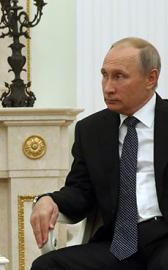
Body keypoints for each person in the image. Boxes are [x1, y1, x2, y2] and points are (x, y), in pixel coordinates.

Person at [30, 37, 168, 270]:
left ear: (150, 78)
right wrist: (47, 200)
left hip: (164, 236)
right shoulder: (90, 130)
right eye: (104, 75)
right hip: (120, 245)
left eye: (119, 76)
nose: (108, 87)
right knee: (46, 266)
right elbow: (79, 193)